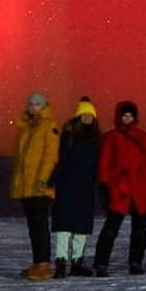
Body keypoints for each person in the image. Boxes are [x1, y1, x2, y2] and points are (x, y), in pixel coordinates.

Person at [92, 100, 146, 276]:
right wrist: (104, 185)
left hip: (140, 189)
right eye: (125, 115)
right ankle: (101, 263)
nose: (127, 118)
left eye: (130, 115)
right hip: (120, 189)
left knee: (140, 229)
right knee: (111, 228)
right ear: (119, 116)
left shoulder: (142, 137)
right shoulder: (111, 137)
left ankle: (136, 262)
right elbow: (104, 162)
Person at [8, 91, 60, 281]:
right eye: (31, 104)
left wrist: (43, 180)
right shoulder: (26, 127)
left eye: (37, 104)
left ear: (44, 106)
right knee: (33, 226)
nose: (33, 107)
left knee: (39, 225)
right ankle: (38, 262)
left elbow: (51, 156)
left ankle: (44, 265)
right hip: (27, 186)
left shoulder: (49, 127)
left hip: (39, 187)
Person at [50, 97, 101, 278]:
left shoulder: (96, 138)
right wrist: (54, 179)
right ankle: (61, 262)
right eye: (84, 114)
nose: (87, 118)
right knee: (65, 226)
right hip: (69, 185)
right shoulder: (69, 135)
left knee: (81, 227)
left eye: (90, 115)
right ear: (78, 116)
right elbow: (63, 159)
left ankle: (77, 262)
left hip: (86, 186)